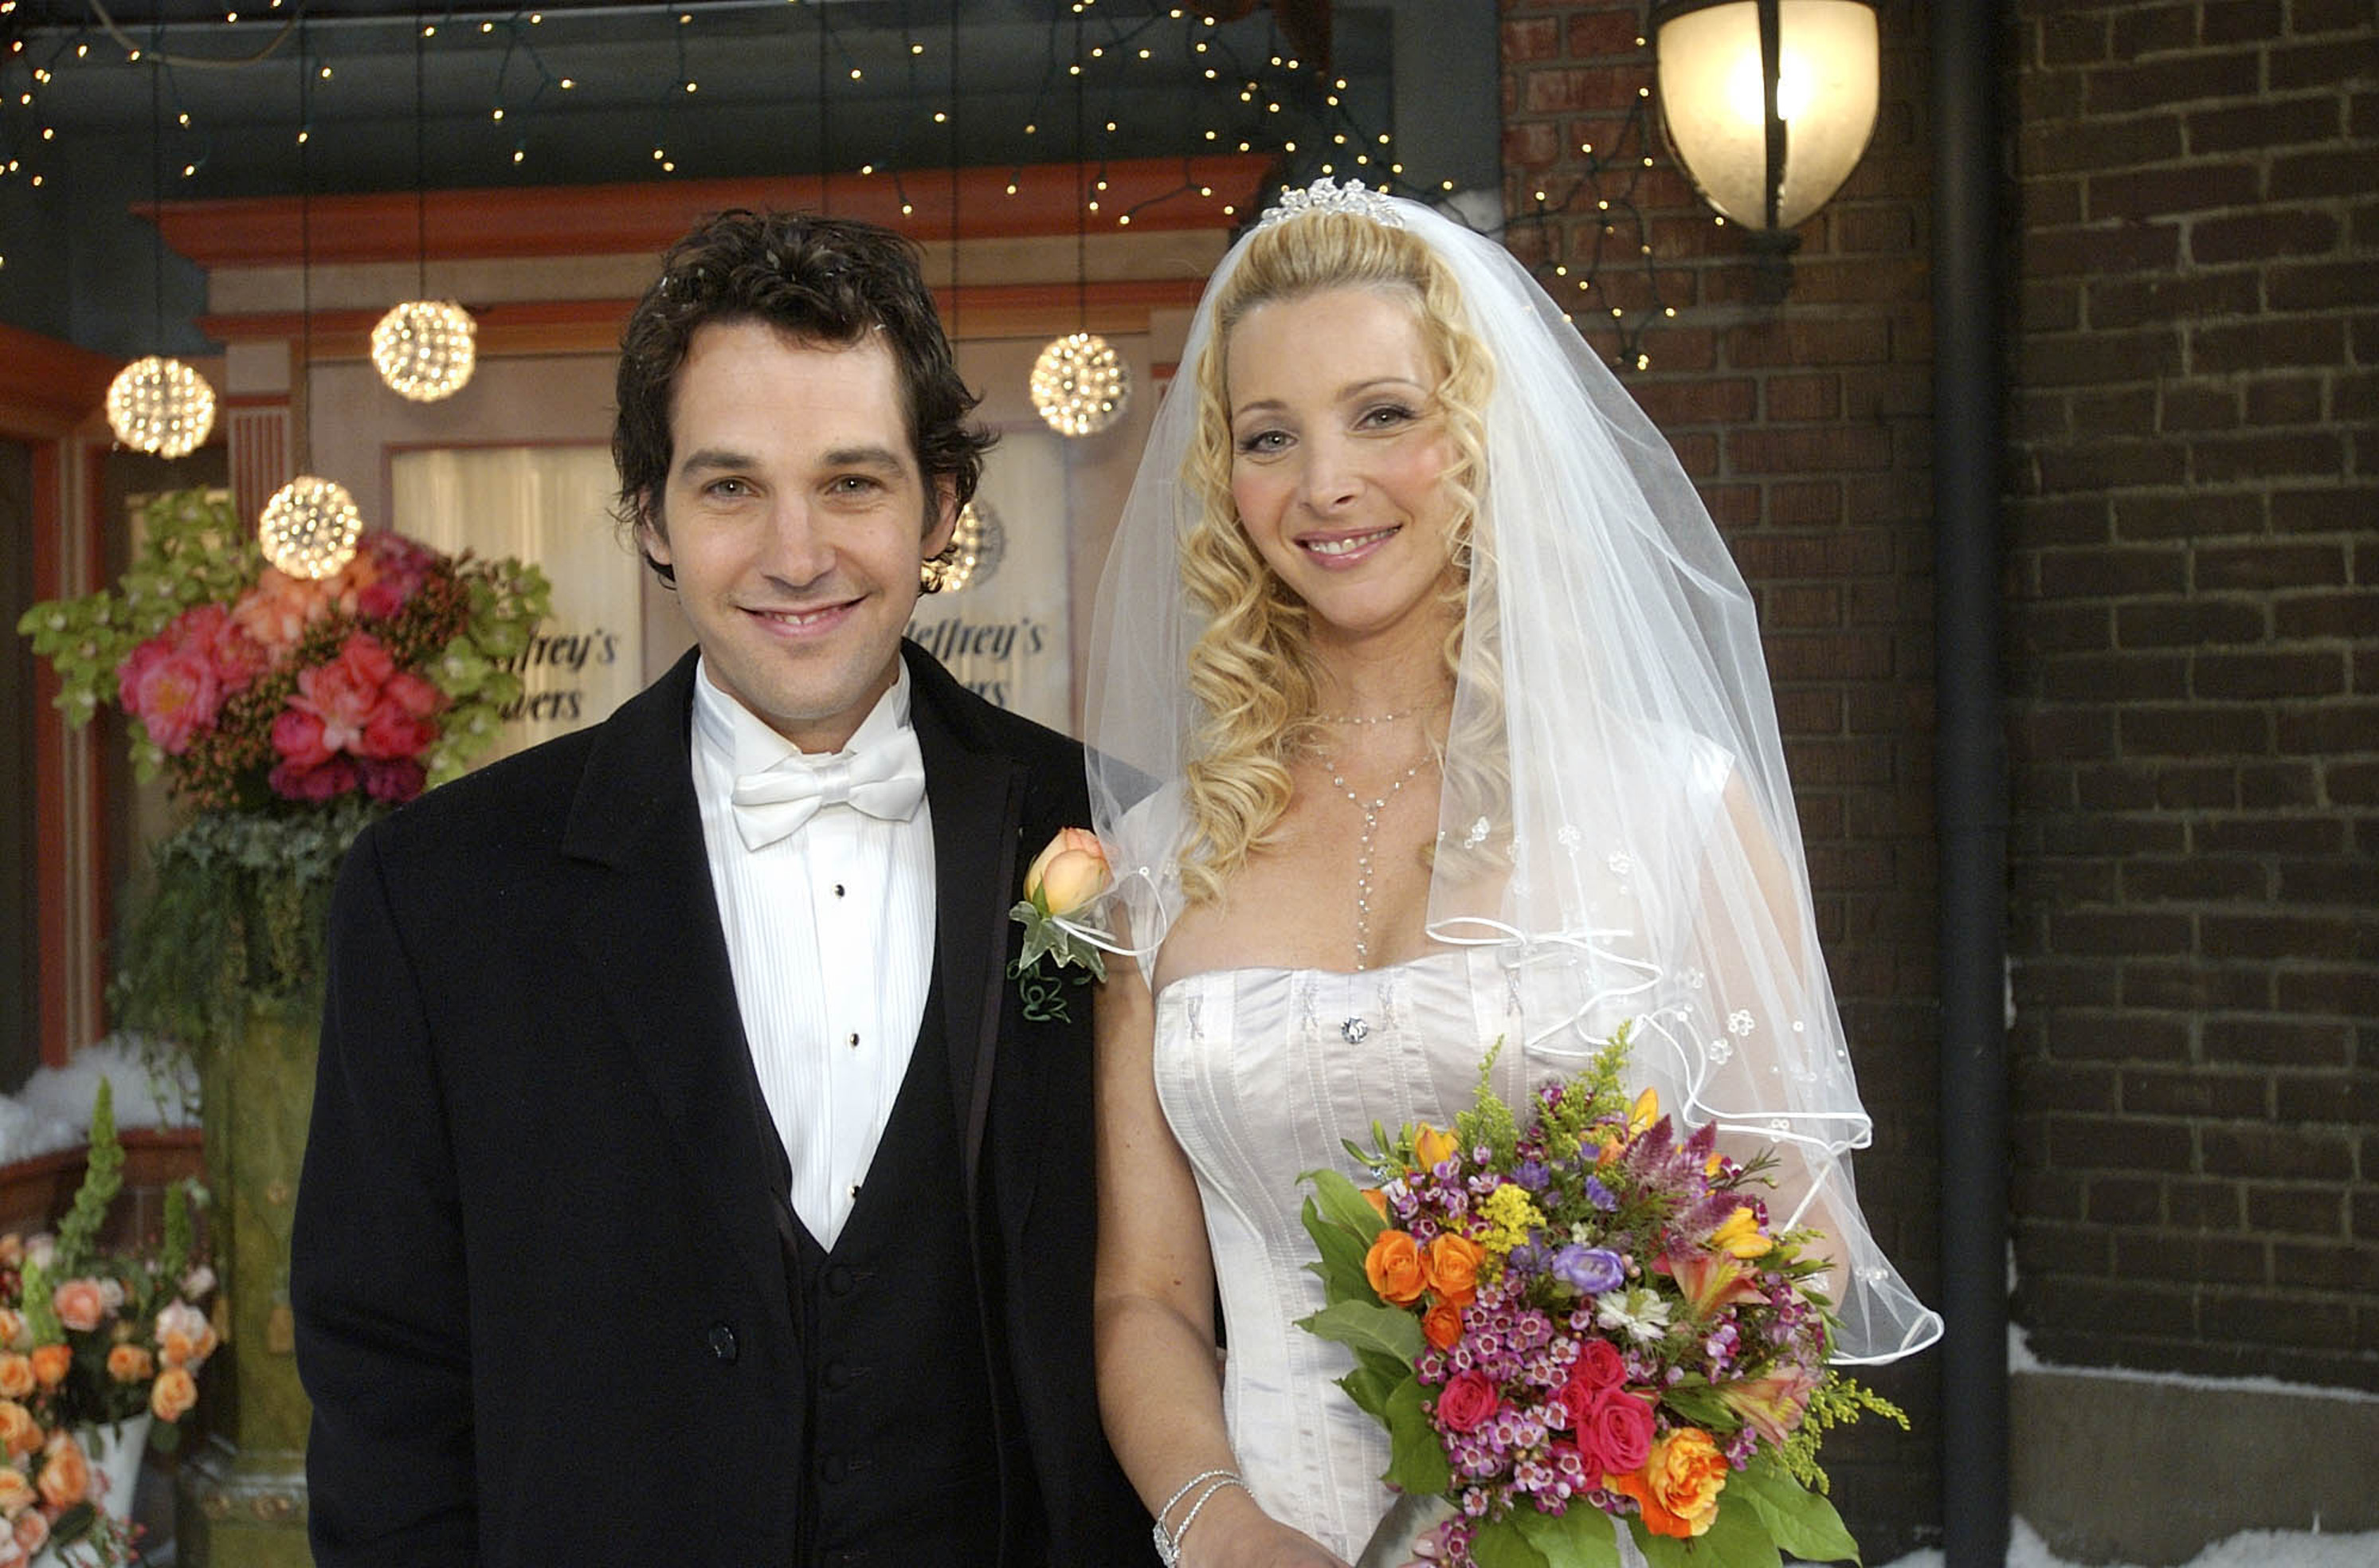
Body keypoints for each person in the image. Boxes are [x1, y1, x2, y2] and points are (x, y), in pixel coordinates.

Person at [1084, 182, 1943, 1566]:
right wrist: (1219, 1523)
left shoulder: (1673, 810)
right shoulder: (1155, 866)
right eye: (1269, 435)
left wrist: (1585, 1467)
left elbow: (1795, 1238)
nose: (1325, 483)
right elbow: (1149, 1299)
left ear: (1481, 436)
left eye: (1384, 414)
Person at [292, 210, 1150, 1566]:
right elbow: (384, 1383)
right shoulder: (437, 890)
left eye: (853, 483)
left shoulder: (1122, 836)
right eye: (731, 488)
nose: (795, 554)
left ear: (942, 506)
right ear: (650, 512)